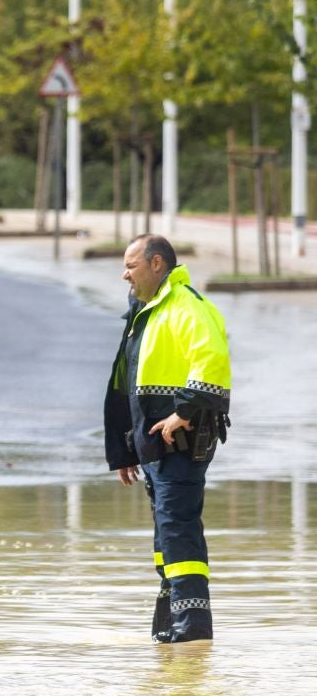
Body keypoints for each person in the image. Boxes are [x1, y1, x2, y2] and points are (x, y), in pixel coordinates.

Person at [107, 234, 231, 644]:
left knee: (177, 527)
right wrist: (126, 448)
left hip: (182, 438)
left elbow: (210, 357)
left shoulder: (185, 305)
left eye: (132, 265)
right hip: (154, 443)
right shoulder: (147, 311)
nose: (125, 274)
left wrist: (185, 411)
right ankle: (171, 621)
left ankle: (193, 627)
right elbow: (128, 382)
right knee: (166, 531)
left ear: (157, 264)